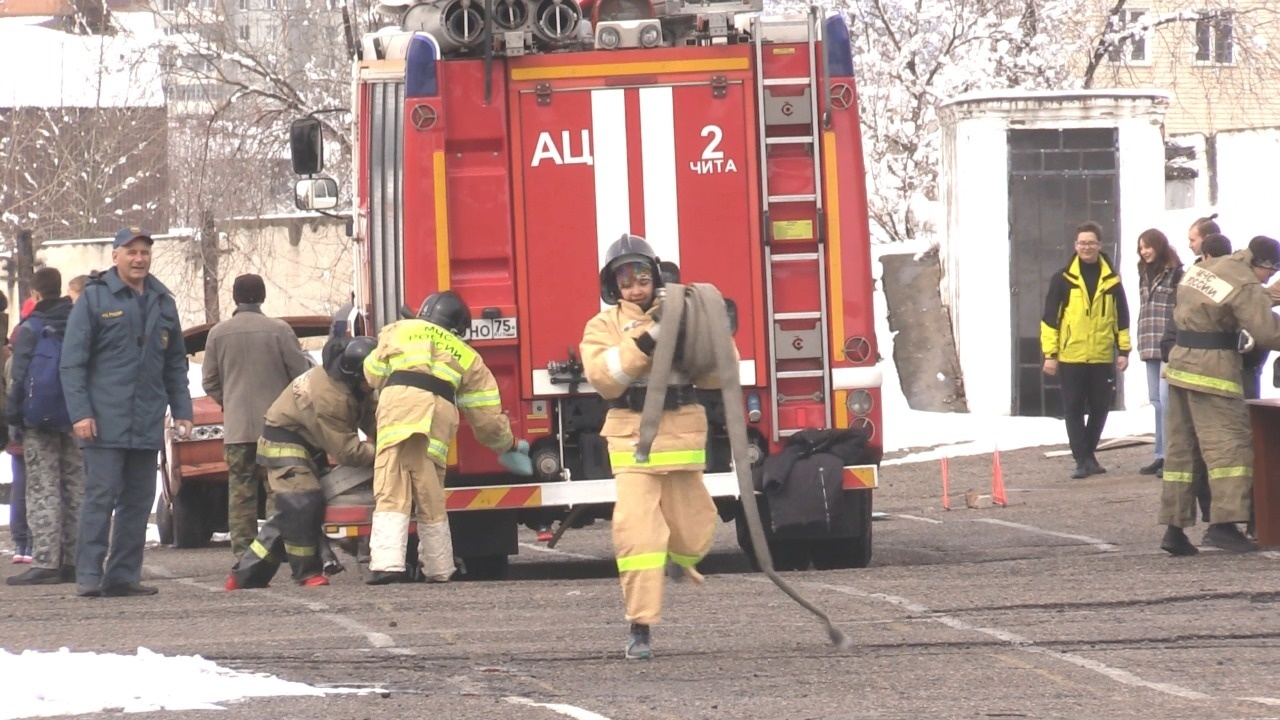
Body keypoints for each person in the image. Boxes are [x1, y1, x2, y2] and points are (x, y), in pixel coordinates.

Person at [579, 233, 721, 661]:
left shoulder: (686, 314)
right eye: (626, 282)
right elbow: (605, 378)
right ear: (613, 286)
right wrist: (647, 339)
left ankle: (680, 559)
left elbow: (717, 375)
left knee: (695, 529)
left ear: (654, 276)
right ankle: (640, 626)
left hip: (682, 438)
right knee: (636, 535)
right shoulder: (602, 326)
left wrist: (696, 331)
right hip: (631, 443)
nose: (635, 288)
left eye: (641, 278)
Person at [362, 290, 532, 585]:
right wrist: (507, 444)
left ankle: (387, 564)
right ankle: (439, 568)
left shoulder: (399, 331)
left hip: (396, 411)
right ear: (458, 328)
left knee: (390, 484)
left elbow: (372, 374)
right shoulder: (467, 355)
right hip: (434, 421)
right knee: (430, 492)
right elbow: (486, 418)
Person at [60, 227, 193, 598]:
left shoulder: (163, 300)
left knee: (138, 500)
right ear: (115, 255)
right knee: (100, 498)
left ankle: (122, 576)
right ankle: (88, 574)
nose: (139, 259)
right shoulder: (95, 299)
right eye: (131, 252)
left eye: (144, 252)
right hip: (103, 421)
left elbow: (174, 364)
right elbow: (72, 364)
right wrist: (81, 413)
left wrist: (182, 410)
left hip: (146, 419)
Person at [224, 335, 379, 590]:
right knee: (302, 502)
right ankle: (306, 573)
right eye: (369, 376)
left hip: (308, 445)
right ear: (354, 375)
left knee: (289, 514)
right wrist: (386, 452)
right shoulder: (330, 397)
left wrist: (390, 435)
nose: (374, 381)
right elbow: (348, 452)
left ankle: (245, 576)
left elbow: (372, 417)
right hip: (283, 444)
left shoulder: (353, 383)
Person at [1159, 235, 1280, 555]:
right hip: (1213, 372)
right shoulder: (1245, 283)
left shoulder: (1210, 267)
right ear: (1264, 265)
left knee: (1184, 452)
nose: (1269, 278)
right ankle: (1224, 526)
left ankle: (1175, 529)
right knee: (1231, 449)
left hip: (1181, 365)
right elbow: (1265, 331)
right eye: (1270, 272)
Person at [202, 273, 311, 557]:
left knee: (240, 491)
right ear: (262, 297)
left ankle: (243, 550)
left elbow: (210, 381)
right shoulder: (280, 330)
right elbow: (301, 374)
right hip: (276, 428)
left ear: (235, 297)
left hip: (237, 429)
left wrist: (229, 401)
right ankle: (275, 547)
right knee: (277, 488)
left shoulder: (217, 334)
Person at [5, 268, 85, 585]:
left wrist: (14, 419)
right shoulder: (79, 323)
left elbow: (19, 378)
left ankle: (46, 562)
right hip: (76, 417)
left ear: (36, 295)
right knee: (75, 488)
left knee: (42, 488)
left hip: (38, 419)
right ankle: (74, 560)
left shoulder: (31, 328)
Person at [1040, 222, 1131, 479]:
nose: (1086, 247)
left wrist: (1123, 350)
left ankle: (1088, 453)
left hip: (1101, 355)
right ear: (1075, 246)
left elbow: (1121, 317)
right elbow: (1049, 320)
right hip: (1071, 356)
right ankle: (1081, 459)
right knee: (1073, 409)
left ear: (1099, 246)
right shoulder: (1062, 279)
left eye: (1091, 243)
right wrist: (1050, 355)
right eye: (1082, 243)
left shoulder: (1112, 280)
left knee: (1101, 407)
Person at [1135, 229, 1183, 477]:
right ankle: (1160, 454)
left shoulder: (1176, 273)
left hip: (1167, 346)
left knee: (1168, 403)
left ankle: (1172, 457)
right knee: (1156, 403)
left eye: (1147, 246)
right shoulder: (1143, 272)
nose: (1144, 251)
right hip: (1148, 343)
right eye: (1141, 247)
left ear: (1159, 245)